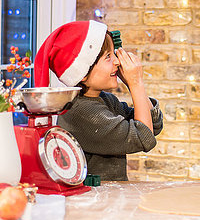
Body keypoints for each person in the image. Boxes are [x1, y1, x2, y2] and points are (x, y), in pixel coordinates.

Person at [34, 20, 163, 181]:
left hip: (112, 198)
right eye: (108, 57)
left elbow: (154, 124)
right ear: (82, 73)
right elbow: (144, 137)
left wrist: (133, 84)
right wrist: (136, 83)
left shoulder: (104, 99)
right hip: (95, 201)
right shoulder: (82, 111)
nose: (117, 61)